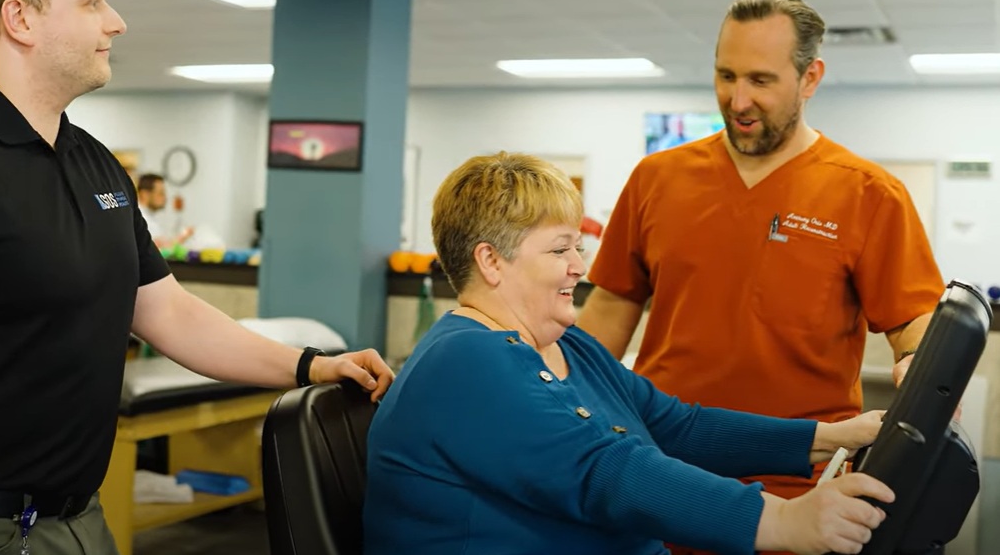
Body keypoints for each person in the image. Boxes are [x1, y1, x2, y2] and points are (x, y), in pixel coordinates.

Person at [0, 0, 392, 555]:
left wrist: (310, 365)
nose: (116, 21)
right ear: (19, 19)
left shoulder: (90, 160)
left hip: (81, 519)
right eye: (93, 2)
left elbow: (164, 309)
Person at [362, 152, 895, 555]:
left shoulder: (570, 346)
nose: (580, 267)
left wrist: (831, 437)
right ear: (491, 261)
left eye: (578, 247)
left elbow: (676, 427)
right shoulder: (465, 363)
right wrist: (785, 522)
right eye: (559, 250)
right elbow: (604, 471)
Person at [576, 0, 945, 551]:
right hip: (665, 469)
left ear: (810, 78)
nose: (738, 99)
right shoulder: (658, 177)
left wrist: (924, 371)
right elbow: (611, 306)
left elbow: (913, 323)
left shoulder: (868, 193)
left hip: (803, 480)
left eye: (761, 80)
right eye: (726, 76)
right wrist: (551, 386)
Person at [137, 172, 194, 249]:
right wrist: (182, 237)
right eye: (161, 193)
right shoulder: (139, 218)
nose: (165, 198)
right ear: (145, 194)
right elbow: (156, 249)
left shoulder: (150, 217)